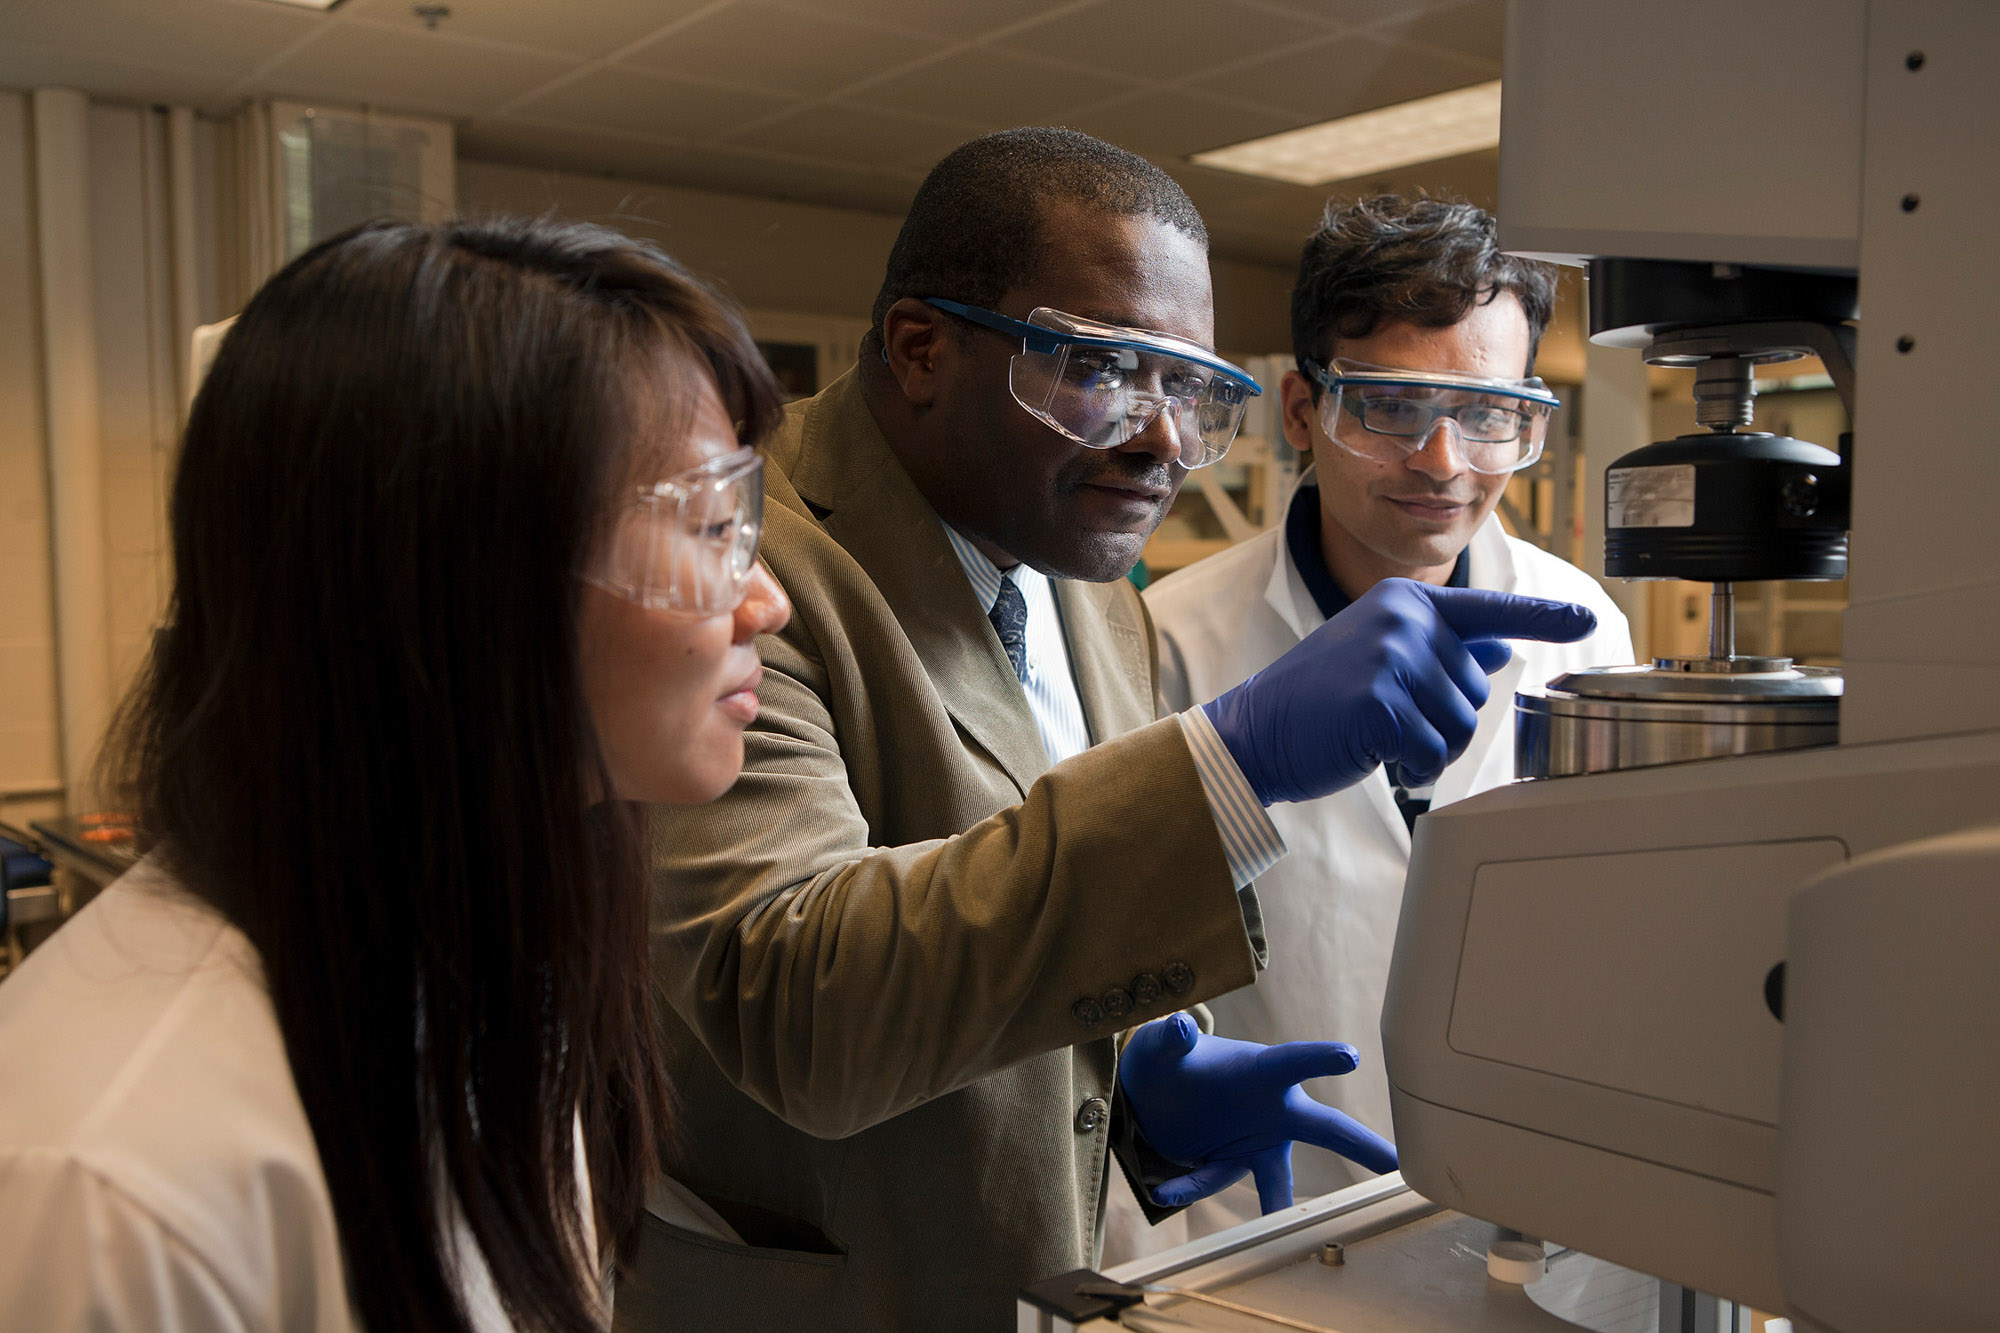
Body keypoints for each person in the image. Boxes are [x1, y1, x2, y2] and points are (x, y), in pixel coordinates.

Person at [620, 131, 1597, 1331]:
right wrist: (1228, 761)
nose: (1163, 444)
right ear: (921, 349)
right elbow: (791, 998)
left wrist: (1129, 1070)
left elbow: (1026, 906)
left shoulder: (1082, 575)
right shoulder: (752, 564)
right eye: (1100, 369)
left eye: (1190, 390)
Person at [0, 217, 793, 1330]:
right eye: (712, 526)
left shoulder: (491, 984)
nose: (767, 602)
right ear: (463, 579)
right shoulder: (112, 1183)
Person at [1105, 194, 1635, 1262]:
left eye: (1490, 413)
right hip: (1252, 1230)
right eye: (1390, 406)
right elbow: (1104, 959)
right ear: (1300, 410)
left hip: (1520, 1225)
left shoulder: (1583, 633)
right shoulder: (1164, 641)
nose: (1442, 462)